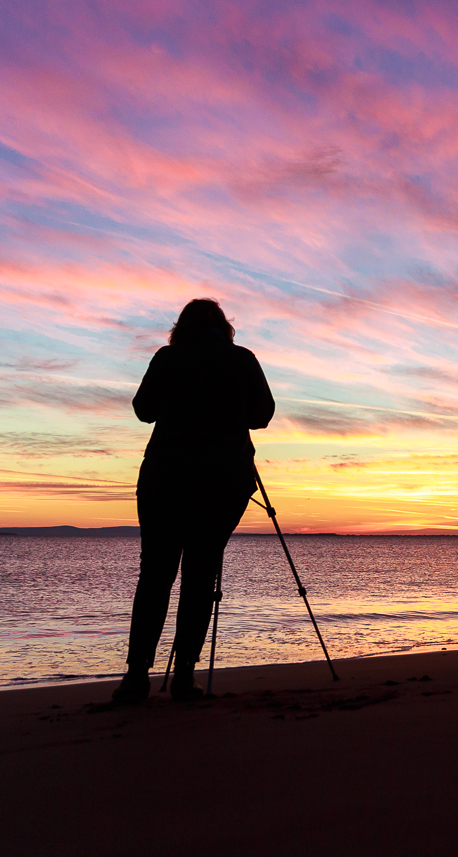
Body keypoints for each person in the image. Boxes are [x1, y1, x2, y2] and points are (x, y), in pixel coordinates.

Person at [111, 299, 275, 703]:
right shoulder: (241, 359)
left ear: (179, 328)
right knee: (200, 576)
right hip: (220, 482)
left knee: (155, 575)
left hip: (164, 479)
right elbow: (263, 414)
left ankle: (135, 678)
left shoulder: (167, 358)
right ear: (224, 327)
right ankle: (184, 675)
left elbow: (142, 410)